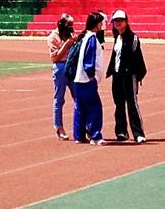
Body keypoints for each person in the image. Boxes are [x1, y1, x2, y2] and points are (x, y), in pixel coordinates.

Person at [105, 9, 148, 143]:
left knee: (132, 104)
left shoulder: (133, 38)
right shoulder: (116, 36)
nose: (117, 23)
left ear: (126, 22)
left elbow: (137, 58)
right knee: (118, 104)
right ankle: (121, 131)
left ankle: (138, 133)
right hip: (117, 75)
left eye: (120, 20)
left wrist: (136, 74)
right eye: (115, 21)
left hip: (129, 75)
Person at [67, 11, 106, 145]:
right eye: (101, 22)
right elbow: (90, 60)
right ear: (97, 24)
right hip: (86, 79)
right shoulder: (92, 39)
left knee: (80, 107)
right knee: (94, 107)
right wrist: (92, 76)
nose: (102, 24)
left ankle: (79, 135)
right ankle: (95, 136)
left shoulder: (83, 37)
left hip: (78, 78)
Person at [47, 13, 76, 139]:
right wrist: (67, 44)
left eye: (72, 25)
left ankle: (83, 126)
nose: (71, 27)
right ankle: (59, 127)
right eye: (69, 25)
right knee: (59, 98)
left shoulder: (70, 35)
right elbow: (55, 57)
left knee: (78, 97)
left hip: (71, 67)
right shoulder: (53, 37)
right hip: (60, 67)